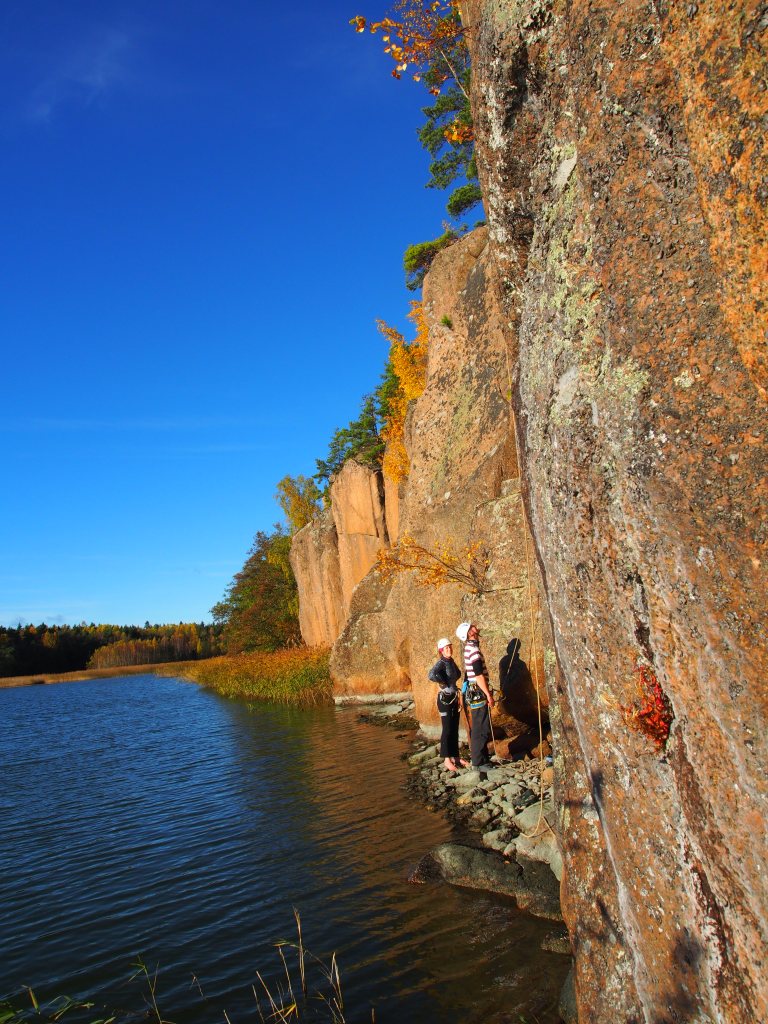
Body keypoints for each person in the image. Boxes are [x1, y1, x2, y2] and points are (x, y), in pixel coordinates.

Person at [456, 622, 495, 771]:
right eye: (472, 627)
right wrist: (488, 695)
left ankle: (483, 759)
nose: (475, 627)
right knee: (481, 726)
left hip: (474, 691)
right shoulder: (473, 650)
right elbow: (478, 675)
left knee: (480, 725)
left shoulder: (469, 648)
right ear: (469, 633)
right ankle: (478, 762)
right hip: (478, 691)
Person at [428, 638, 467, 771]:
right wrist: (443, 681)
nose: (449, 649)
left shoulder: (451, 661)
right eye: (446, 648)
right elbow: (431, 674)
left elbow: (458, 674)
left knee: (454, 727)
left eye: (450, 647)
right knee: (447, 728)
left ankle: (455, 756)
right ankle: (446, 759)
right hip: (444, 699)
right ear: (441, 651)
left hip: (454, 697)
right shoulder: (441, 662)